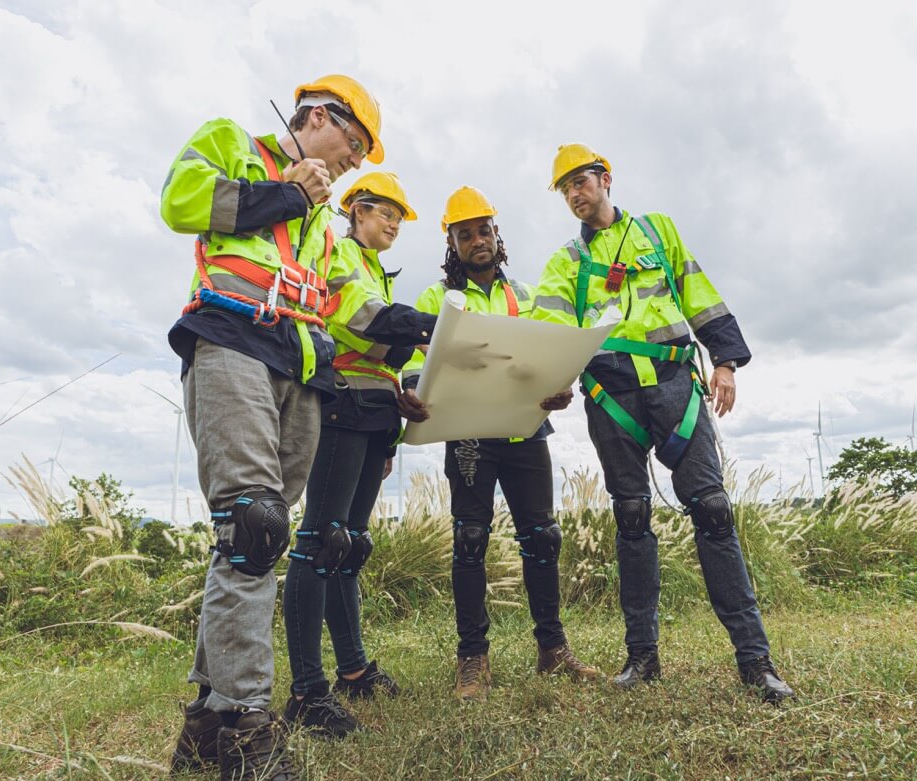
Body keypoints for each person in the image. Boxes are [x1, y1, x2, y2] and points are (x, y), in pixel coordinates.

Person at [159, 74, 385, 781]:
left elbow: (342, 306)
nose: (352, 162)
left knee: (252, 541)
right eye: (352, 144)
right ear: (317, 117)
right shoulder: (234, 143)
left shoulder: (327, 223)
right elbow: (181, 201)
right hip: (230, 340)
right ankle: (247, 742)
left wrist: (421, 346)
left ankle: (203, 722)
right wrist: (288, 192)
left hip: (300, 372)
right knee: (252, 528)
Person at [532, 144, 795, 703]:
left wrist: (724, 361)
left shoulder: (658, 232)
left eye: (582, 181)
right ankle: (642, 657)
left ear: (606, 178)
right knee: (630, 516)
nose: (576, 193)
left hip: (677, 386)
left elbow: (698, 294)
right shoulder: (565, 262)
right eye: (566, 188)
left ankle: (756, 661)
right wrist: (550, 379)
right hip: (611, 394)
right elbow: (550, 327)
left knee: (714, 509)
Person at [400, 186, 601, 702]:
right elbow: (414, 364)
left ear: (496, 234)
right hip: (468, 435)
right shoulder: (436, 301)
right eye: (465, 234)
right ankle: (472, 659)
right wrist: (412, 390)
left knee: (543, 537)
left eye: (484, 231)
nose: (478, 241)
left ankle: (552, 649)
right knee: (470, 540)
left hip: (524, 430)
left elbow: (550, 357)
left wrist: (558, 388)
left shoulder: (527, 297)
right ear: (452, 243)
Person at [281, 171, 435, 737]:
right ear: (358, 211)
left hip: (373, 412)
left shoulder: (377, 271)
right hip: (340, 405)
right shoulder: (342, 253)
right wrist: (437, 327)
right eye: (385, 213)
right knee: (320, 542)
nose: (394, 224)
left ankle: (353, 671)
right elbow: (360, 318)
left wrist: (396, 414)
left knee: (350, 545)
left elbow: (387, 351)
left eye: (399, 217)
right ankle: (306, 691)